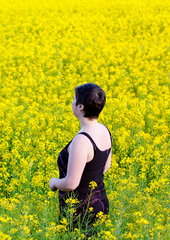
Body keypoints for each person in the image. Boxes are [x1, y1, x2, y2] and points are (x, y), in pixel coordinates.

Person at [49, 83, 112, 232]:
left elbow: (71, 183)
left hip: (80, 209)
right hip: (100, 202)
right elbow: (105, 167)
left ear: (80, 107)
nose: (72, 102)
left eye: (74, 99)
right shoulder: (103, 130)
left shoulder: (82, 140)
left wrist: (54, 182)